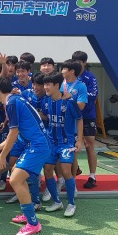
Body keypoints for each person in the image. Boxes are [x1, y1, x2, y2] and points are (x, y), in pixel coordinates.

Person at [0, 76, 51, 235]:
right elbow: (15, 134)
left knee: (15, 179)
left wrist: (2, 156)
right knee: (19, 178)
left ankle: (33, 224)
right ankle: (28, 214)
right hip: (35, 144)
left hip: (37, 146)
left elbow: (13, 133)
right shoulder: (15, 99)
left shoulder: (11, 103)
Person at [39, 72, 83, 216]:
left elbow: (80, 119)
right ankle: (57, 202)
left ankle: (71, 203)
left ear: (57, 85)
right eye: (44, 84)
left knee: (65, 172)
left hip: (66, 143)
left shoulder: (69, 102)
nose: (45, 87)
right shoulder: (46, 101)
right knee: (47, 171)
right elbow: (45, 115)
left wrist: (79, 140)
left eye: (48, 84)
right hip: (51, 142)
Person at [72, 51, 99, 189]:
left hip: (87, 116)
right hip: (72, 117)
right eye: (74, 61)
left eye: (79, 62)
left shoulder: (90, 78)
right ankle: (74, 171)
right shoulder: (70, 77)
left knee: (89, 145)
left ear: (84, 63)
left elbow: (93, 96)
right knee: (72, 145)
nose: (76, 64)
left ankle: (92, 176)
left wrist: (77, 97)